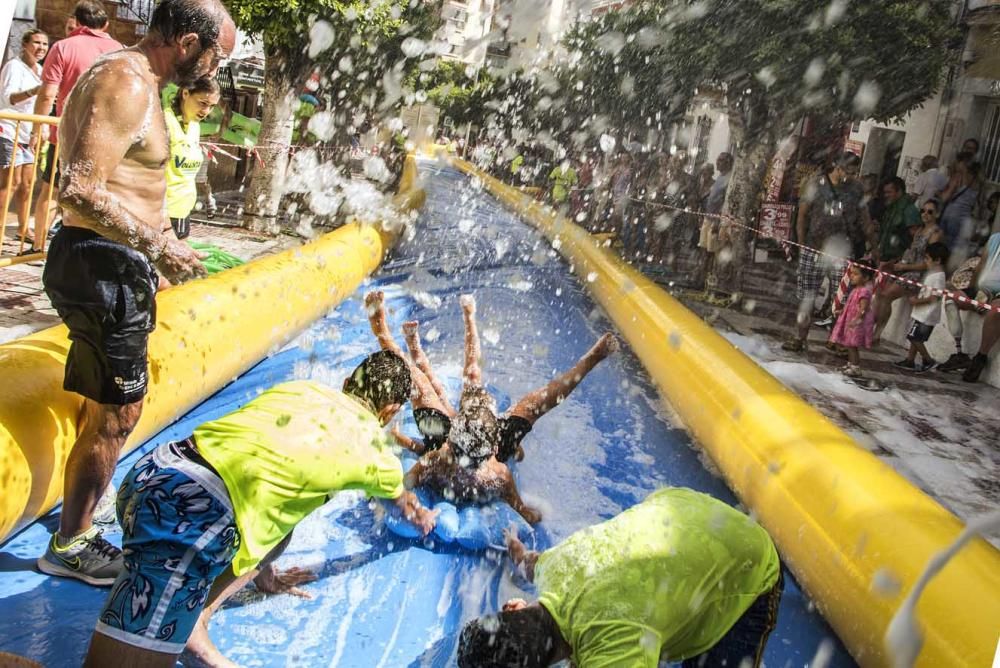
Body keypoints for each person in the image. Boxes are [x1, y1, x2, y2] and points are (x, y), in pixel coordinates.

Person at [37, 0, 236, 586]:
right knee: (121, 411)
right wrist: (162, 246)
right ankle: (71, 543)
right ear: (188, 41)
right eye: (217, 54)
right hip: (99, 266)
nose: (217, 69)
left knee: (109, 406)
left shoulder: (144, 84)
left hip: (113, 266)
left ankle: (76, 527)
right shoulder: (125, 80)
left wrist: (151, 253)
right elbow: (78, 190)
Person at [83, 356, 437, 668]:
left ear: (348, 383)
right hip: (191, 513)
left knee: (282, 524)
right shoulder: (377, 454)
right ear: (390, 412)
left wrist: (265, 578)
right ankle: (193, 633)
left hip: (152, 473)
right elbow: (406, 509)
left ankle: (191, 617)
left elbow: (267, 474)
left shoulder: (303, 389)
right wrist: (426, 520)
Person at [457, 487, 782, 668]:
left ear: (514, 605)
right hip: (684, 506)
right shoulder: (556, 567)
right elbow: (530, 563)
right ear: (514, 608)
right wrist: (514, 547)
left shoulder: (615, 646)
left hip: (746, 561)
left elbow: (606, 638)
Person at [365, 291, 618, 523]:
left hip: (456, 449)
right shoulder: (499, 475)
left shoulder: (435, 459)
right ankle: (591, 359)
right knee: (532, 403)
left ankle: (387, 333)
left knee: (422, 382)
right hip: (470, 447)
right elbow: (524, 512)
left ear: (452, 435)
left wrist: (386, 494)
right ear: (496, 442)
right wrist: (531, 515)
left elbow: (401, 486)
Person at [30, 1, 125, 247]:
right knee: (95, 194)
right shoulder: (120, 51)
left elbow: (48, 93)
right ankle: (87, 246)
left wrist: (37, 128)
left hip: (66, 136)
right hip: (106, 138)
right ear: (105, 24)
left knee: (51, 191)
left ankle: (39, 247)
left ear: (78, 22)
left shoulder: (63, 47)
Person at [782, 152, 861, 352]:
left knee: (842, 298)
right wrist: (801, 244)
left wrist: (872, 246)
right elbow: (801, 216)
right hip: (814, 248)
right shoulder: (816, 185)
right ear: (838, 166)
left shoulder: (855, 190)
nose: (851, 175)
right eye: (849, 171)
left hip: (842, 251)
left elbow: (863, 218)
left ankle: (837, 341)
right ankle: (800, 337)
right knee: (807, 297)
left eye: (854, 171)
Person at [0, 29, 48, 252]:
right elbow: (9, 98)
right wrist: (34, 91)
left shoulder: (40, 70)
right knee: (10, 183)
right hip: (9, 130)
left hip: (28, 133)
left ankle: (22, 228)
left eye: (45, 44)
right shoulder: (13, 66)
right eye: (36, 43)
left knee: (28, 184)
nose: (41, 48)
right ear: (25, 45)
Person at [873, 198, 944, 342]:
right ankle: (872, 327)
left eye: (930, 212)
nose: (925, 214)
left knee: (887, 295)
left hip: (918, 273)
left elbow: (928, 262)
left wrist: (905, 266)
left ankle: (877, 333)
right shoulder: (919, 230)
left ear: (937, 214)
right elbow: (911, 252)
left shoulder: (935, 233)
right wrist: (896, 262)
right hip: (906, 268)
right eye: (923, 211)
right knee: (880, 292)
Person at [939, 231, 1000, 382]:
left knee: (995, 311)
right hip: (983, 291)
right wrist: (974, 291)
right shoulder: (994, 238)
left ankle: (981, 357)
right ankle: (960, 353)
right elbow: (982, 264)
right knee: (951, 298)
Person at [164, 76, 220, 239]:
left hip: (183, 211)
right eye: (202, 103)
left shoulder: (194, 126)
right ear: (186, 93)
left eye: (211, 106)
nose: (206, 111)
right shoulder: (165, 122)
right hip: (162, 214)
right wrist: (164, 220)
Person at [894, 243, 950, 372]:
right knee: (915, 338)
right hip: (922, 313)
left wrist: (917, 301)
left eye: (927, 258)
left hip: (927, 315)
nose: (925, 261)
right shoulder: (934, 274)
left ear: (938, 260)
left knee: (913, 337)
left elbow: (934, 298)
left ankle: (928, 360)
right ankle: (910, 360)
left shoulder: (939, 277)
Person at [829, 261, 877, 378]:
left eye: (856, 274)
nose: (851, 276)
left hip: (856, 323)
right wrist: (842, 311)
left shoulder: (864, 291)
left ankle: (855, 367)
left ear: (865, 278)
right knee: (849, 344)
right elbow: (851, 305)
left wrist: (857, 319)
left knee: (852, 346)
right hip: (851, 321)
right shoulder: (856, 289)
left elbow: (863, 308)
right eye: (851, 273)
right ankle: (850, 364)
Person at [938, 153, 982, 259]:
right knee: (956, 248)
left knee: (943, 248)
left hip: (951, 216)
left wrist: (939, 193)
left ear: (963, 164)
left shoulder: (958, 177)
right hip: (964, 219)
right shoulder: (977, 181)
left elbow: (945, 197)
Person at [876, 176, 921, 265]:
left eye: (889, 192)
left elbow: (916, 240)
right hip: (884, 259)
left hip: (897, 262)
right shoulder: (891, 208)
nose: (886, 195)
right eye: (885, 192)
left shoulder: (909, 210)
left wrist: (901, 261)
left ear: (899, 191)